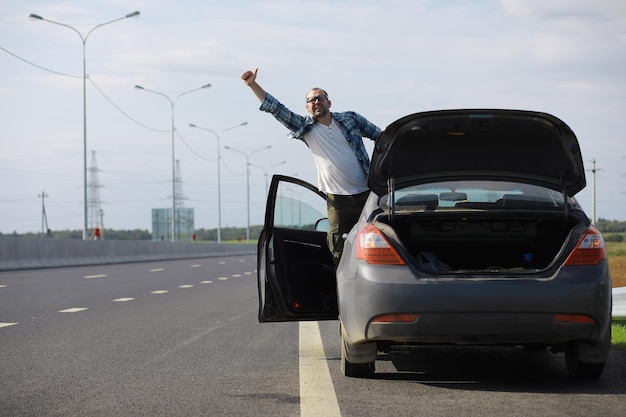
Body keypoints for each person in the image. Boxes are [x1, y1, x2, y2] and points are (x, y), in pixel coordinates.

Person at [241, 68, 382, 264]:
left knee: (376, 240)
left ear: (328, 102)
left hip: (367, 192)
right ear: (307, 108)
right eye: (311, 100)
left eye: (320, 97)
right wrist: (253, 85)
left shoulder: (351, 119)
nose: (316, 101)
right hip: (338, 199)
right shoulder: (306, 129)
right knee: (337, 248)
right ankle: (340, 288)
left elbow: (381, 137)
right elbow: (276, 108)